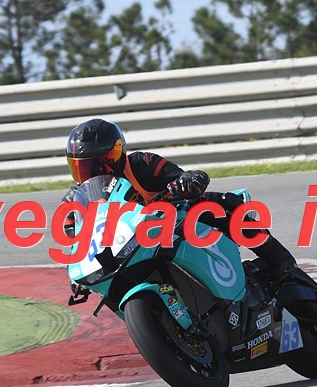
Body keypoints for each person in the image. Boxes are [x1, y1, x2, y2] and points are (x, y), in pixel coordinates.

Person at [61, 117, 297, 282]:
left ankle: (281, 261)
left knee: (220, 205)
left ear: (118, 152)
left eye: (102, 163)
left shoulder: (142, 164)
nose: (96, 172)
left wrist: (187, 182)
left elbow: (183, 176)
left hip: (172, 223)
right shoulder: (76, 200)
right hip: (130, 249)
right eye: (84, 168)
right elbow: (76, 239)